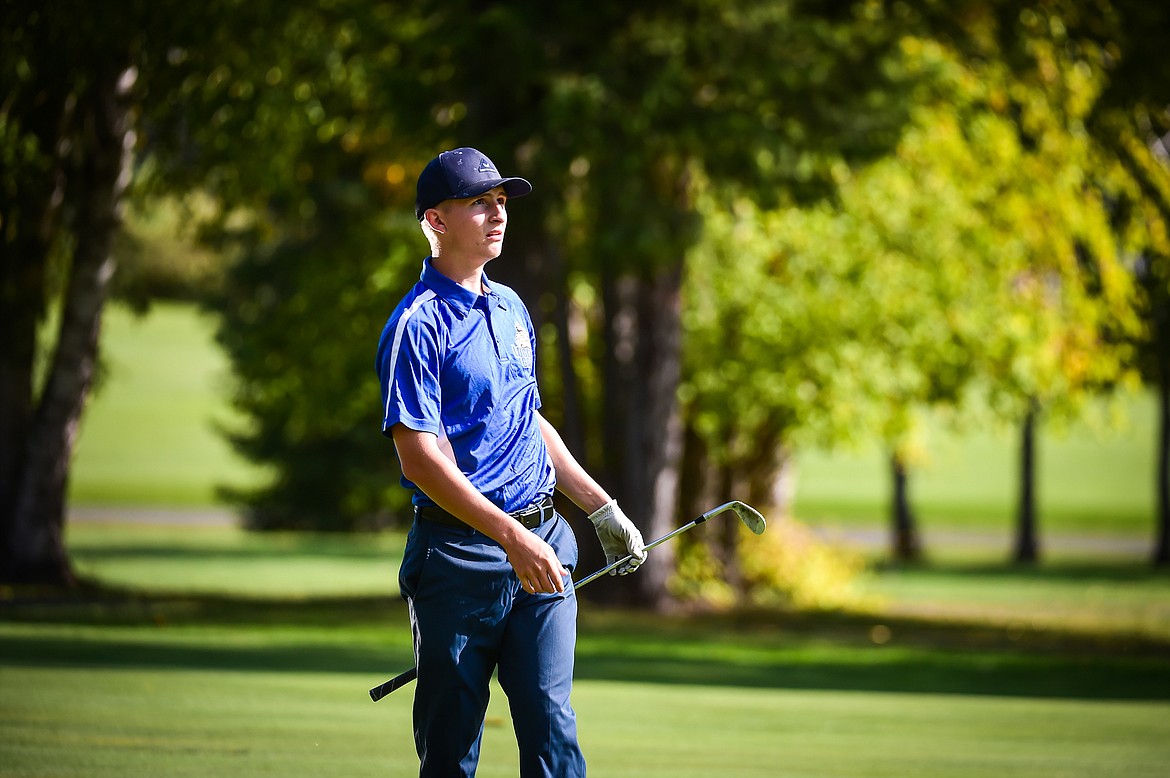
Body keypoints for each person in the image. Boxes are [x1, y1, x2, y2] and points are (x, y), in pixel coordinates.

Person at [376, 147, 647, 777]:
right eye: (479, 203)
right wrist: (511, 538)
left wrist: (600, 508)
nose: (497, 214)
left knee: (552, 726)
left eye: (500, 202)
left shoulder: (511, 308)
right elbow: (418, 459)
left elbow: (526, 421)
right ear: (435, 222)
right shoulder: (415, 325)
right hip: (458, 560)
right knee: (450, 747)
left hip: (545, 543)